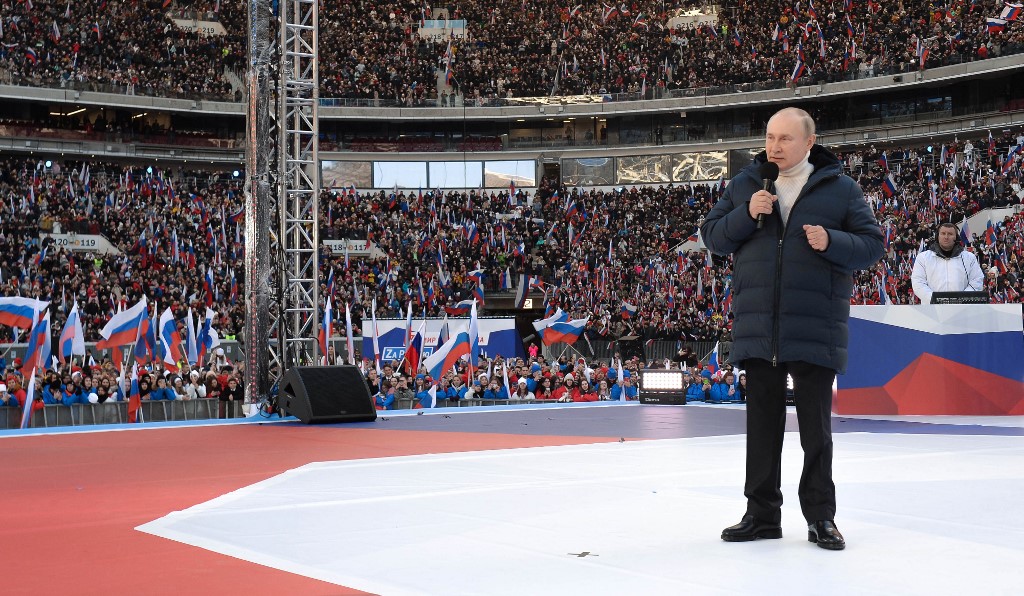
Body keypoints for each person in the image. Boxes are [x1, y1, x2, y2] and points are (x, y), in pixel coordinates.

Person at [701, 107, 883, 551]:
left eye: (784, 138)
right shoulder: (746, 184)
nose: (774, 146)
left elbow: (872, 246)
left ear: (809, 141)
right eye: (769, 137)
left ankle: (821, 517)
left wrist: (832, 241)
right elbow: (713, 236)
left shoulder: (840, 189)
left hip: (814, 326)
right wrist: (746, 213)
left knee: (815, 432)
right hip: (759, 326)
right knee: (762, 428)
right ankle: (761, 515)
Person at [910, 222, 985, 304]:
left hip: (962, 309)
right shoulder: (923, 257)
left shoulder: (969, 258)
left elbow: (977, 281)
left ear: (957, 237)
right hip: (932, 310)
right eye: (943, 233)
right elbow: (918, 283)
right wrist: (936, 300)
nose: (946, 237)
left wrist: (961, 299)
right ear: (937, 236)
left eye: (950, 234)